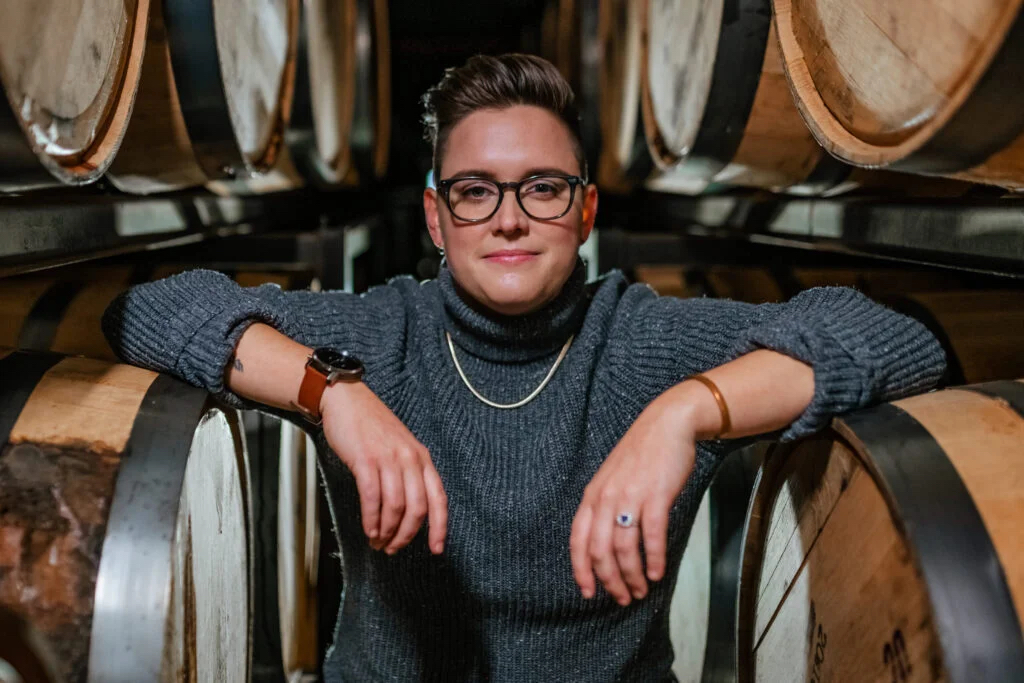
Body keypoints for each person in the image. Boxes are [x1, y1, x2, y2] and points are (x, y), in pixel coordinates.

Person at [103, 54, 945, 682]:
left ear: (584, 211)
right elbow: (148, 310)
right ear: (436, 217)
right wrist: (335, 394)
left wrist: (686, 409)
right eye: (476, 190)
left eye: (541, 188)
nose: (508, 219)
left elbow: (895, 337)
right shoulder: (379, 332)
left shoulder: (641, 342)